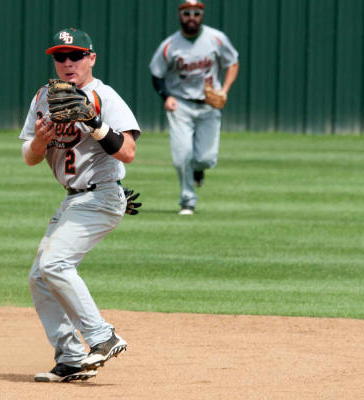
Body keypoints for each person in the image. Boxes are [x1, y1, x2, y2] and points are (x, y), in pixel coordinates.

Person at [19, 27, 141, 383]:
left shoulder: (104, 96)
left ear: (91, 58)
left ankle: (103, 336)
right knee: (40, 277)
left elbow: (128, 152)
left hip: (101, 195)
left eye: (75, 56)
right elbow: (29, 157)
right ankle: (71, 357)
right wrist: (40, 143)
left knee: (55, 263)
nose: (68, 62)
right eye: (61, 57)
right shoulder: (44, 97)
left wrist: (94, 123)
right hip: (73, 198)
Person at [149, 0, 239, 215]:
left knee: (205, 159)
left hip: (209, 104)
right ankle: (187, 200)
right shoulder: (170, 45)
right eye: (187, 13)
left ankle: (199, 170)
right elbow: (156, 73)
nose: (192, 17)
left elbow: (233, 62)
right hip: (181, 104)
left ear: (202, 15)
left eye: (196, 13)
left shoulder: (216, 38)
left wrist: (225, 90)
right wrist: (166, 97)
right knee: (182, 156)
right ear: (180, 15)